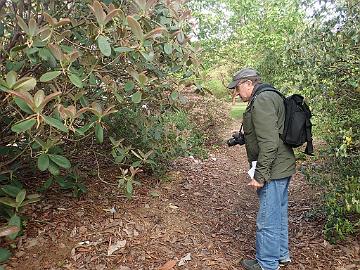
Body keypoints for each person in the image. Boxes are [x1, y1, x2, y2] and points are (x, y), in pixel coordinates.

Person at [227, 68, 296, 270]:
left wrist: (260, 176)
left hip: (273, 170)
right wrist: (244, 139)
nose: (237, 93)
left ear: (249, 83)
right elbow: (268, 131)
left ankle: (267, 264)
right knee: (278, 214)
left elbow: (269, 143)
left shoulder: (262, 100)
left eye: (238, 88)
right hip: (283, 165)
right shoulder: (269, 95)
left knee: (267, 219)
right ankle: (282, 255)